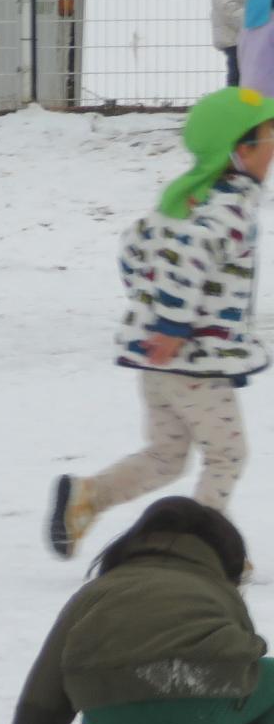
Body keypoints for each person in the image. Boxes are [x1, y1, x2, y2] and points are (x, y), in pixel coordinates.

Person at [49, 88, 273, 560]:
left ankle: (88, 496)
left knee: (167, 456)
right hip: (195, 362)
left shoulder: (186, 196)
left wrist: (149, 307)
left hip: (161, 361)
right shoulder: (228, 206)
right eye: (269, 135)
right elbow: (190, 255)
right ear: (239, 149)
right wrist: (172, 324)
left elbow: (134, 245)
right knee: (227, 456)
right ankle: (201, 548)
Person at [0, 498, 274, 724]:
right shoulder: (222, 593)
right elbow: (238, 674)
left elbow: (46, 691)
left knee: (101, 670)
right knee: (263, 677)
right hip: (203, 708)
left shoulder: (98, 592)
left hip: (114, 715)